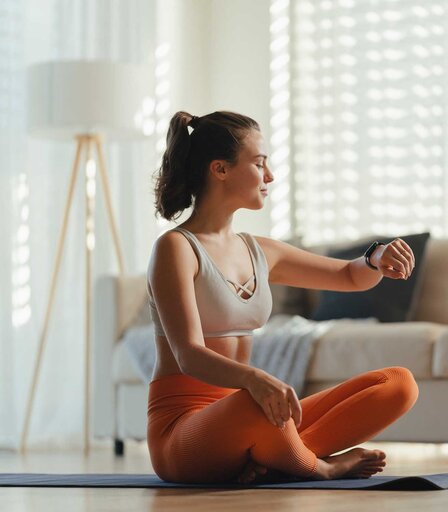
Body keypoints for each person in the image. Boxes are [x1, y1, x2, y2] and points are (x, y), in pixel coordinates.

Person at [146, 110, 419, 485]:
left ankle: (269, 459)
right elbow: (187, 354)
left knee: (398, 383)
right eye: (259, 164)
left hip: (249, 416)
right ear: (220, 169)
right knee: (253, 403)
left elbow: (347, 276)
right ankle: (320, 467)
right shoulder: (176, 248)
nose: (269, 176)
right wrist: (256, 380)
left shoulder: (260, 251)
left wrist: (375, 257)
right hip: (184, 433)